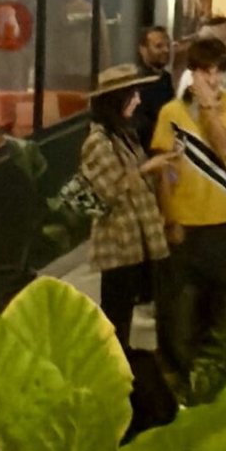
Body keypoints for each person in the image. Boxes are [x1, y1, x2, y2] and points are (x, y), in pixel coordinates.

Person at [150, 34, 226, 373]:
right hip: (185, 224)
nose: (212, 79)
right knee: (181, 313)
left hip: (224, 222)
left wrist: (210, 109)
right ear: (192, 72)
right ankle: (183, 377)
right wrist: (169, 219)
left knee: (225, 308)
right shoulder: (171, 112)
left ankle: (223, 374)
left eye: (217, 71)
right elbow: (164, 172)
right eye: (205, 71)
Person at [79, 64, 172, 353]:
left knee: (125, 307)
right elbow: (111, 188)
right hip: (117, 241)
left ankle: (123, 356)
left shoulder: (123, 134)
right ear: (116, 100)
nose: (138, 100)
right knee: (115, 310)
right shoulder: (97, 141)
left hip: (133, 238)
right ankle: (113, 361)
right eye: (133, 95)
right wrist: (147, 167)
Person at [127, 24, 175, 150]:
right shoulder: (135, 82)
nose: (166, 50)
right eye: (159, 46)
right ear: (143, 50)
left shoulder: (166, 78)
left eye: (168, 46)